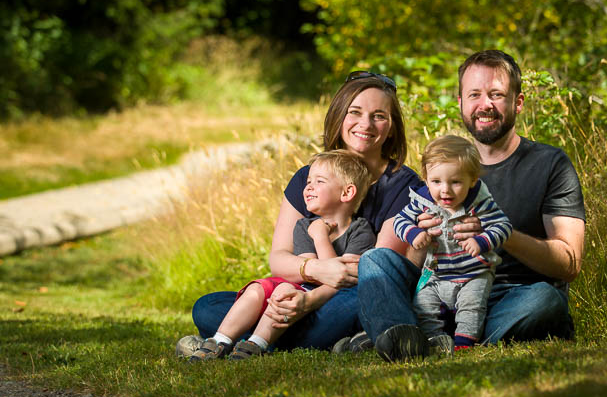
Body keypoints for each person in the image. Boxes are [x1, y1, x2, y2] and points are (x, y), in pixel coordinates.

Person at [358, 50, 586, 362]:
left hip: (511, 296)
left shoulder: (550, 164)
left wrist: (501, 235)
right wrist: (422, 237)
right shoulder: (442, 167)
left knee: (546, 299)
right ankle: (413, 334)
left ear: (517, 102)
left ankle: (418, 336)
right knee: (375, 262)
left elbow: (569, 264)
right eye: (474, 94)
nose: (485, 105)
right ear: (460, 103)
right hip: (441, 290)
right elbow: (417, 261)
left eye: (496, 94)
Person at [176, 71, 421, 357]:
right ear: (339, 116)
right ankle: (329, 340)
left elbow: (373, 272)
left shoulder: (404, 185)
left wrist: (308, 302)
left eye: (379, 116)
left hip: (348, 296)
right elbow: (279, 258)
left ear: (391, 128)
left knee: (352, 305)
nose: (365, 124)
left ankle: (255, 338)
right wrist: (312, 272)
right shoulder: (308, 178)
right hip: (300, 289)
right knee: (207, 307)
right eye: (355, 112)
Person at [187, 150, 376, 361]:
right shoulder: (304, 226)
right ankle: (221, 341)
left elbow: (340, 279)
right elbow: (314, 273)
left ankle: (257, 342)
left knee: (354, 302)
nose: (308, 187)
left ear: (347, 192)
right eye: (309, 181)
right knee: (245, 295)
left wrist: (321, 236)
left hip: (329, 302)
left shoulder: (361, 231)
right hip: (296, 296)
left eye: (319, 181)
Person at [393, 135, 512, 356]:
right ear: (426, 179)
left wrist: (481, 241)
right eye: (436, 182)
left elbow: (503, 226)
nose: (445, 190)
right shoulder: (422, 202)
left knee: (471, 306)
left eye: (455, 182)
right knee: (423, 305)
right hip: (436, 274)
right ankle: (434, 340)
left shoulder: (480, 203)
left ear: (472, 180)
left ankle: (463, 342)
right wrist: (413, 234)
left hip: (473, 273)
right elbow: (399, 221)